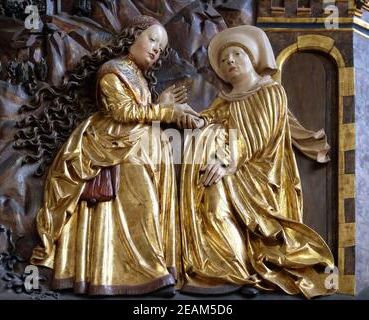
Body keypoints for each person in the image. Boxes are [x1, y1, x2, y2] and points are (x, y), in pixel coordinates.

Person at [29, 15, 203, 296]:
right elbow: (124, 113)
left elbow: (142, 113)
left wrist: (167, 108)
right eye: (152, 40)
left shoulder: (140, 78)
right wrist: (166, 112)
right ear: (132, 36)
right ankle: (148, 273)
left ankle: (149, 267)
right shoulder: (113, 71)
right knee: (141, 203)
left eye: (161, 48)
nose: (156, 49)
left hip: (138, 146)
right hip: (112, 146)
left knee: (150, 207)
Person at [179, 25, 336, 299]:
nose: (230, 61)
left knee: (222, 200)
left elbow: (259, 136)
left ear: (251, 57)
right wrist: (176, 112)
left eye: (236, 54)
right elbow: (204, 121)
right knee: (212, 207)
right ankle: (229, 272)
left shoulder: (270, 92)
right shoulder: (224, 101)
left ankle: (250, 270)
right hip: (226, 168)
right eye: (225, 59)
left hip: (258, 173)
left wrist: (228, 160)